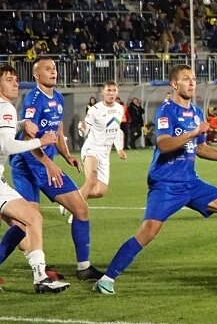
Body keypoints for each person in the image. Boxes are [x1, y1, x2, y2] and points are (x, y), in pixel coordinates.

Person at [93, 64, 217, 294]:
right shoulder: (166, 110)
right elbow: (164, 144)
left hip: (191, 182)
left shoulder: (196, 112)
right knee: (148, 232)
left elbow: (200, 148)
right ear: (175, 84)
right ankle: (107, 278)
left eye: (194, 78)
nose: (192, 82)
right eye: (186, 79)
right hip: (165, 183)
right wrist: (193, 133)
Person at [9, 56, 105, 282]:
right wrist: (50, 164)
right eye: (47, 69)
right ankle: (39, 266)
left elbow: (58, 132)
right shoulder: (33, 99)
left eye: (54, 68)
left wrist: (66, 155)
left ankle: (82, 267)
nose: (53, 72)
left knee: (78, 210)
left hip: (44, 164)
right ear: (36, 75)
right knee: (28, 221)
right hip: (28, 164)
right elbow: (27, 135)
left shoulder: (59, 98)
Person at [0, 64, 70, 293]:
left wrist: (19, 124)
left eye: (15, 78)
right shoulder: (6, 108)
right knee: (32, 217)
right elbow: (7, 145)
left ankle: (40, 273)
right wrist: (41, 141)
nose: (15, 83)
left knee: (24, 223)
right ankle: (40, 277)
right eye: (8, 79)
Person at [70, 82, 127, 225]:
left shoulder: (120, 109)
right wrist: (82, 127)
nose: (111, 93)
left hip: (105, 153)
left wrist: (119, 148)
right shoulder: (95, 109)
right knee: (91, 181)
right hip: (92, 149)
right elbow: (85, 128)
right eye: (109, 90)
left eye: (114, 90)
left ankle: (70, 198)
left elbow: (116, 129)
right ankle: (76, 212)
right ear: (103, 92)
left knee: (100, 191)